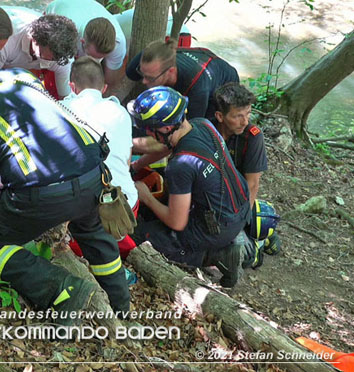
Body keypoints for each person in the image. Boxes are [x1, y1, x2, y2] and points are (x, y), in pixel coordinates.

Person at [0, 41, 130, 320]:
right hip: (93, 174)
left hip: (41, 194)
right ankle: (120, 307)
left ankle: (61, 289)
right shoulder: (24, 77)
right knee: (93, 232)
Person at [128, 86, 252, 287]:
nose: (147, 132)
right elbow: (166, 146)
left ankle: (217, 255)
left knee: (139, 236)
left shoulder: (181, 165)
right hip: (240, 205)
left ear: (166, 128)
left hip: (217, 227)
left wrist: (146, 197)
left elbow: (176, 222)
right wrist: (136, 166)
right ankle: (232, 238)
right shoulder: (201, 125)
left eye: (149, 128)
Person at [60, 57, 138, 259]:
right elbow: (127, 163)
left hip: (81, 218)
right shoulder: (120, 112)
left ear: (72, 87)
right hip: (125, 207)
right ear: (104, 88)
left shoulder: (59, 110)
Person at [126, 40, 240, 120]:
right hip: (200, 57)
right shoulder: (153, 57)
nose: (144, 81)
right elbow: (131, 73)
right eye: (142, 73)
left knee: (205, 126)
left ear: (170, 71)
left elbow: (191, 130)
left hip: (224, 81)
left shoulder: (198, 88)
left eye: (150, 78)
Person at [45, 0, 126, 88]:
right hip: (59, 9)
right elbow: (63, 77)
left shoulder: (119, 43)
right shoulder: (66, 34)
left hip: (87, 8)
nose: (94, 61)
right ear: (82, 41)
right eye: (91, 56)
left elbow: (110, 81)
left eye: (100, 57)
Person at [0, 14, 78, 99]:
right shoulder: (6, 41)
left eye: (54, 59)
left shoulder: (63, 57)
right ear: (34, 39)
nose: (50, 61)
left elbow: (64, 97)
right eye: (44, 56)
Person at [212, 82, 267, 206]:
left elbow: (252, 184)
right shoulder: (207, 131)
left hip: (235, 197)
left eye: (248, 114)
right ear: (220, 116)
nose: (245, 122)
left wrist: (243, 218)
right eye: (238, 116)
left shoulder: (252, 137)